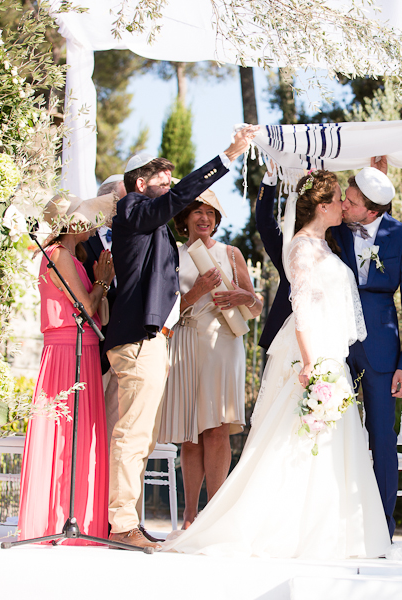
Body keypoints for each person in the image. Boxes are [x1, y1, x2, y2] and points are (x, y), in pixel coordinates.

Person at [162, 170, 391, 559]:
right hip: (312, 352)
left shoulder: (326, 244)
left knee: (330, 441)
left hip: (331, 350)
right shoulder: (302, 247)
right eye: (338, 199)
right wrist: (311, 362)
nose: (344, 205)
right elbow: (300, 307)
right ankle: (284, 528)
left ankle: (331, 529)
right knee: (297, 438)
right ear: (322, 206)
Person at [103, 127, 257, 550]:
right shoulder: (133, 208)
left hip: (156, 340)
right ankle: (120, 524)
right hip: (138, 339)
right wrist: (226, 157)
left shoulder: (157, 232)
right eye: (164, 183)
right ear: (140, 184)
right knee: (133, 436)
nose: (171, 190)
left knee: (143, 437)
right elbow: (172, 202)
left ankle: (125, 519)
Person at [331, 157, 402, 539]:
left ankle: (382, 526)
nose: (343, 205)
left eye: (350, 201)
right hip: (335, 346)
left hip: (383, 353)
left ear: (371, 209)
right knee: (330, 429)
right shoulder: (334, 231)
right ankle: (335, 519)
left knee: (382, 439)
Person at [158, 188, 263, 529]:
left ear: (217, 220)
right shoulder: (172, 254)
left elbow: (256, 307)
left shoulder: (232, 254)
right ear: (185, 217)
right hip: (186, 340)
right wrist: (198, 291)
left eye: (211, 213)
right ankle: (190, 516)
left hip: (224, 343)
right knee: (191, 431)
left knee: (217, 428)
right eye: (198, 211)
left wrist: (245, 296)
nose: (205, 218)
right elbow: (166, 307)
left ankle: (215, 516)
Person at [17, 192, 116, 545]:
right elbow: (86, 307)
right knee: (64, 435)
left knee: (81, 436)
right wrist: (102, 281)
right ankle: (55, 518)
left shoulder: (71, 256)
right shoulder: (58, 254)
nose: (93, 225)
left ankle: (78, 514)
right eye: (87, 219)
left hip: (83, 351)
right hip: (67, 354)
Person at [81, 173, 124, 440]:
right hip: (90, 346)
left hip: (122, 347)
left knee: (114, 430)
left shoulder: (134, 241)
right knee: (85, 426)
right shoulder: (82, 241)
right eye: (120, 200)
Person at [256, 166, 291, 351]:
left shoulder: (338, 244)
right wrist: (270, 178)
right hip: (286, 337)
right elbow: (265, 222)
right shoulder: (290, 252)